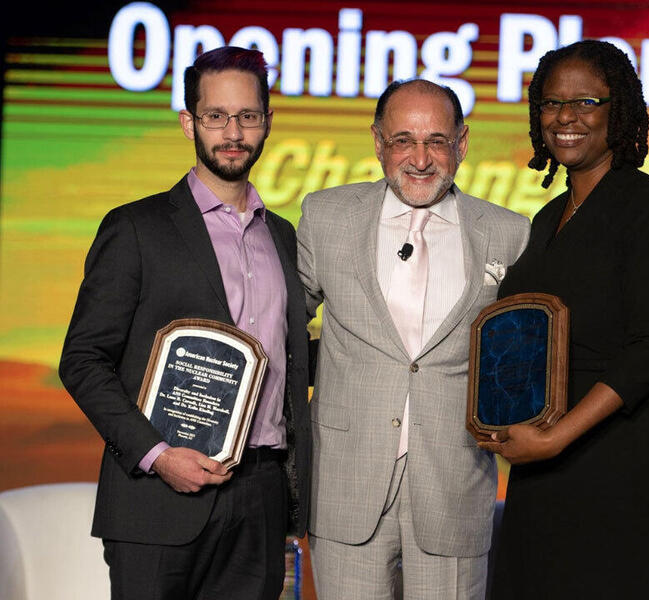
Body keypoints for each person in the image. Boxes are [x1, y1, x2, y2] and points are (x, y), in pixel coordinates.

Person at [59, 46, 310, 600]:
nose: (232, 131)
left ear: (267, 123)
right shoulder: (136, 228)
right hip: (158, 500)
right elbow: (82, 360)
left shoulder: (286, 238)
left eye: (247, 116)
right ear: (188, 122)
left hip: (261, 498)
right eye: (216, 115)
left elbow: (294, 362)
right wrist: (156, 454)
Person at [480, 40, 649, 599]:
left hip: (619, 455)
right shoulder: (549, 217)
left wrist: (557, 439)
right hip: (544, 456)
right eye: (552, 104)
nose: (566, 118)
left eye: (586, 102)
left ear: (617, 111)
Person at [297, 79, 530, 599]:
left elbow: (519, 360)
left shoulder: (508, 233)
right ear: (379, 142)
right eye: (404, 140)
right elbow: (282, 326)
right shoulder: (326, 216)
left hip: (453, 484)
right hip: (346, 482)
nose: (421, 159)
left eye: (437, 141)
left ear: (462, 143)